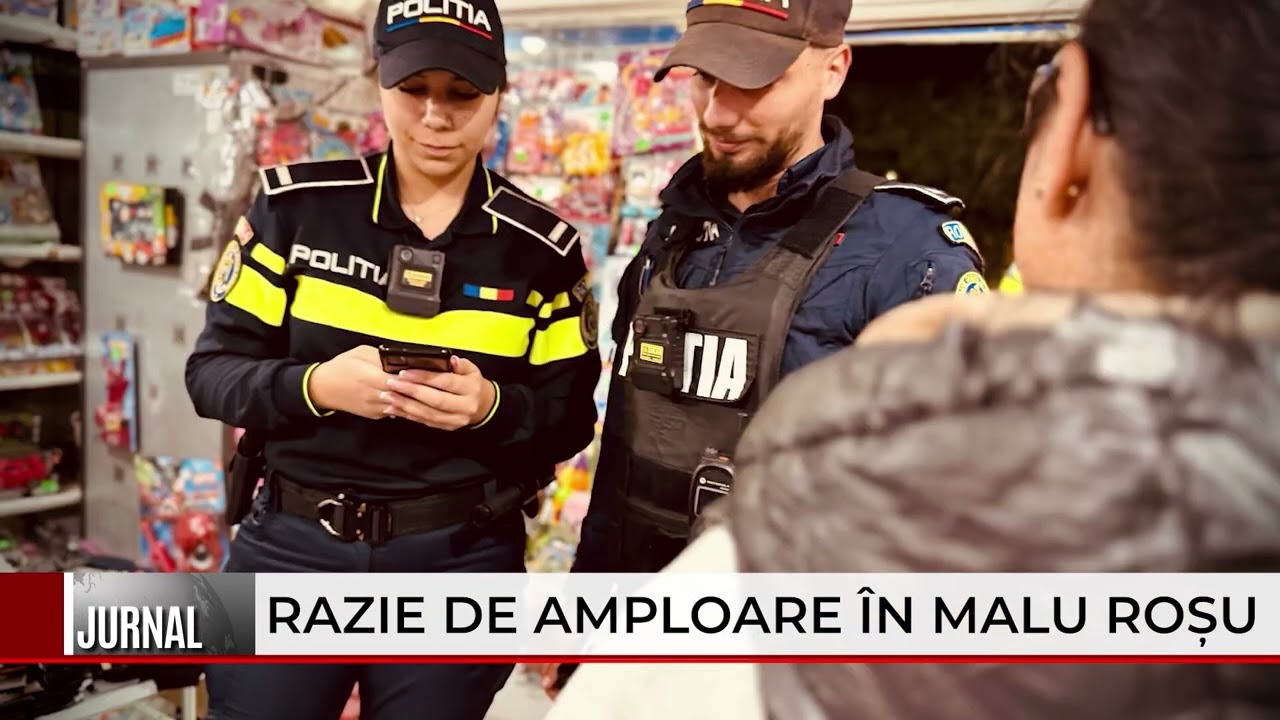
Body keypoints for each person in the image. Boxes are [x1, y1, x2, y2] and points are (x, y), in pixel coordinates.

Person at [546, 0, 1280, 717]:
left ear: (834, 69)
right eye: (705, 77)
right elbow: (629, 444)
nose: (718, 111)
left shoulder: (905, 248)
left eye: (753, 80)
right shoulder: (671, 232)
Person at [183, 0, 601, 716]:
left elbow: (570, 420)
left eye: (462, 93)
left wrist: (490, 407)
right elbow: (211, 374)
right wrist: (317, 386)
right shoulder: (294, 210)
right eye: (413, 89)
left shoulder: (543, 252)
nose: (435, 118)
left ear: (498, 93)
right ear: (380, 82)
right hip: (291, 549)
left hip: (460, 558)